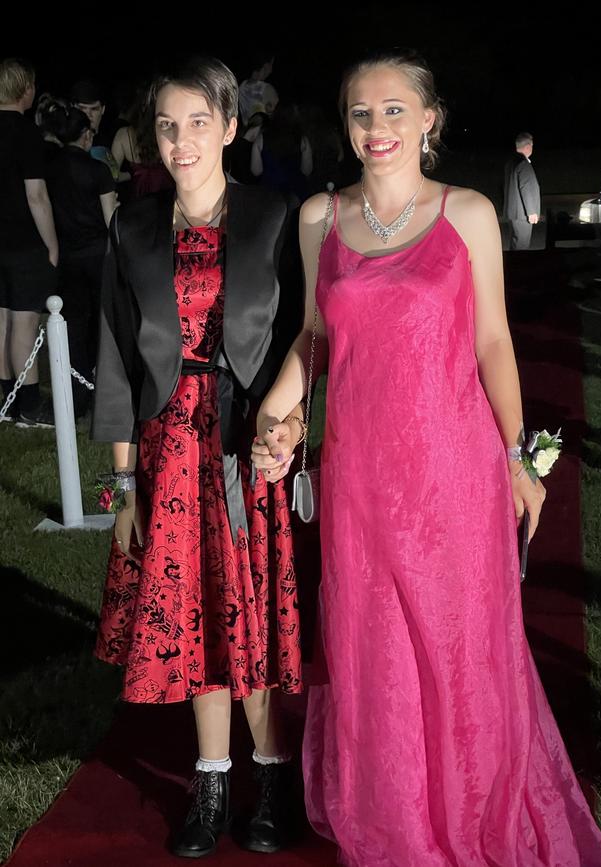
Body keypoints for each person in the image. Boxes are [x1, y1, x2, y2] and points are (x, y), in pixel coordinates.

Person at [253, 48, 601, 867]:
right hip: (357, 474)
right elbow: (315, 339)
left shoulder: (469, 213)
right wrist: (276, 419)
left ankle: (474, 811)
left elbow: (494, 339)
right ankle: (398, 830)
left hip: (453, 470)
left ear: (429, 119)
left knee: (461, 646)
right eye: (360, 111)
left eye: (394, 110)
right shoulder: (319, 218)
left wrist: (518, 459)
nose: (376, 126)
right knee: (372, 650)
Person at [90, 55, 305, 859]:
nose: (180, 142)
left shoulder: (277, 217)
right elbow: (114, 358)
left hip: (247, 446)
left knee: (245, 611)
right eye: (166, 126)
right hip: (165, 450)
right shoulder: (132, 224)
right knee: (195, 615)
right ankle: (212, 781)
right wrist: (122, 487)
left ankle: (274, 775)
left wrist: (291, 432)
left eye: (196, 123)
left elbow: (302, 343)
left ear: (229, 124)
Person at [46, 103, 117, 417]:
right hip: (99, 256)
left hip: (68, 256)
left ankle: (77, 394)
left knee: (73, 326)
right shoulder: (98, 170)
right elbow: (110, 218)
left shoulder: (49, 168)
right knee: (103, 324)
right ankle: (103, 390)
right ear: (86, 135)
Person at [0, 57, 58, 427]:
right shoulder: (25, 132)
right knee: (24, 326)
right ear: (25, 88)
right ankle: (30, 407)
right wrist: (52, 244)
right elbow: (36, 195)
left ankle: (4, 402)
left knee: (1, 322)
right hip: (23, 243)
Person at [503, 131, 540, 250]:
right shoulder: (523, 164)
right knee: (521, 246)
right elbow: (526, 188)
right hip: (522, 214)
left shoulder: (511, 162)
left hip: (513, 212)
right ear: (528, 146)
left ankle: (513, 266)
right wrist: (531, 212)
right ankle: (519, 267)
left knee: (515, 243)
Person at [238, 53, 279, 126]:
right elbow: (278, 121)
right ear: (266, 65)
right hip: (259, 136)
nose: (271, 70)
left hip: (245, 134)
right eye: (271, 65)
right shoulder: (267, 89)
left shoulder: (241, 87)